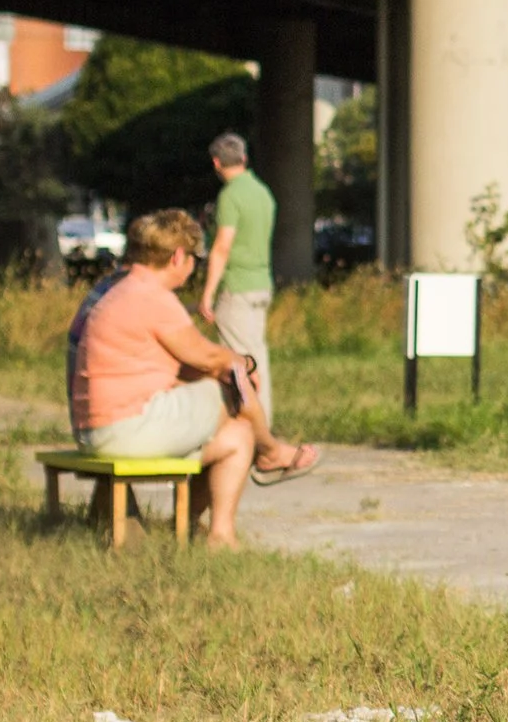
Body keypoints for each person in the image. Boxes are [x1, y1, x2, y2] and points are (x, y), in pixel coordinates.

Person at [68, 210, 320, 547]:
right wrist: (242, 364)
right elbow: (210, 357)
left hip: (101, 430)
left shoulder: (121, 292)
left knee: (237, 437)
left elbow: (180, 361)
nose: (193, 269)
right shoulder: (152, 297)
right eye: (194, 260)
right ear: (178, 257)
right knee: (230, 386)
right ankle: (271, 451)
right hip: (125, 429)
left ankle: (219, 532)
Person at [201, 133, 278, 421]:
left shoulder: (230, 196)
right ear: (244, 158)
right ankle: (263, 426)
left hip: (237, 286)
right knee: (257, 359)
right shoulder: (261, 192)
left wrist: (207, 294)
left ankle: (251, 431)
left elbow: (222, 246)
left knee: (237, 365)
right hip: (261, 285)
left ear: (216, 163)